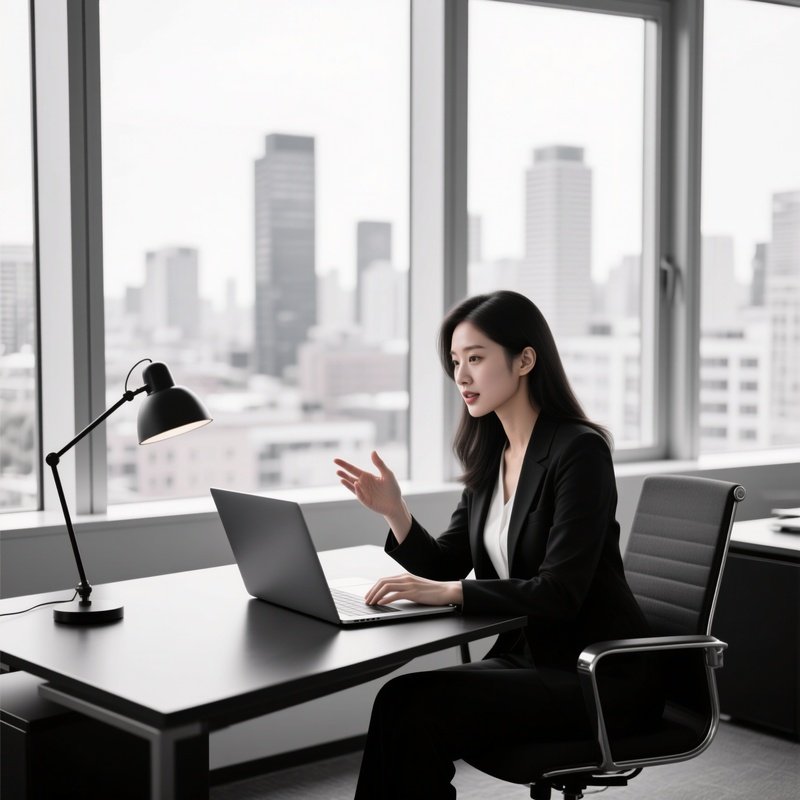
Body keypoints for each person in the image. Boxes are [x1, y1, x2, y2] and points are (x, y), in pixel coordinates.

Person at [334, 290, 660, 800]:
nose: (461, 376)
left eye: (477, 359)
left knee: (410, 704)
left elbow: (560, 593)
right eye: (456, 362)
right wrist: (395, 513)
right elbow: (444, 564)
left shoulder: (579, 451)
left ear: (525, 359)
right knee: (404, 702)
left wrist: (452, 594)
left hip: (595, 673)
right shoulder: (494, 458)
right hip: (528, 659)